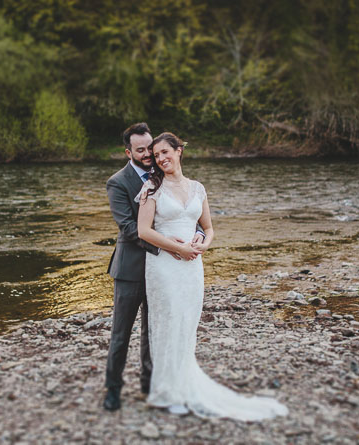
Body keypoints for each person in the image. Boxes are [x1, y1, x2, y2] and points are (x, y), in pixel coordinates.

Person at [136, 132, 288, 420]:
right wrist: (177, 248)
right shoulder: (151, 188)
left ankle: (183, 383)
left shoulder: (197, 188)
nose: (162, 159)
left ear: (179, 151)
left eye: (166, 152)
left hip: (193, 266)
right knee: (168, 323)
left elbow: (207, 226)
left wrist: (203, 244)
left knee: (187, 324)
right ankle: (166, 391)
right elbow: (144, 231)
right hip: (164, 267)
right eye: (157, 156)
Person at [103, 123, 205, 411]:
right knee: (121, 334)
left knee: (154, 331)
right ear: (128, 152)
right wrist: (169, 246)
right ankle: (113, 389)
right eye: (141, 150)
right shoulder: (118, 182)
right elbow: (128, 227)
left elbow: (182, 208)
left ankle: (151, 385)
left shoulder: (163, 174)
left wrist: (196, 231)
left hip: (163, 271)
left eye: (151, 148)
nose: (149, 154)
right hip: (132, 269)